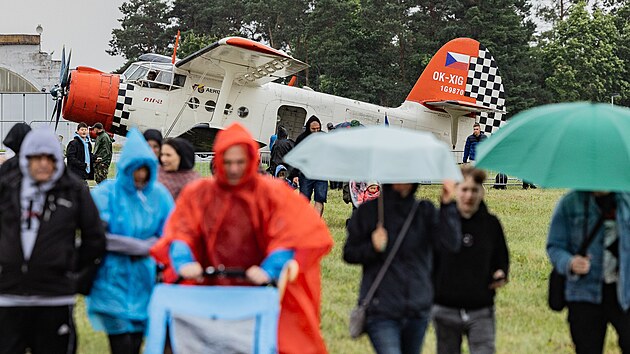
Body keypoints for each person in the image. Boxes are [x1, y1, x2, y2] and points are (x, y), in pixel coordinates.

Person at [150, 122, 333, 354]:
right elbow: (182, 230)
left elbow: (292, 234)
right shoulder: (200, 193)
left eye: (240, 162)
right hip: (208, 286)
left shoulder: (272, 193)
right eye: (228, 162)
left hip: (258, 289)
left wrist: (271, 268)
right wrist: (184, 261)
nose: (234, 169)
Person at [0, 128, 106, 354]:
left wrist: (74, 273)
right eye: (35, 157)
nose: (42, 164)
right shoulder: (7, 186)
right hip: (9, 295)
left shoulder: (73, 190)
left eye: (49, 157)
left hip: (54, 297)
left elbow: (94, 238)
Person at [344, 181, 461, 354]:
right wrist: (372, 247)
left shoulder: (424, 211)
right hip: (381, 308)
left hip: (417, 308)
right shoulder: (370, 212)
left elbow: (450, 244)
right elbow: (349, 253)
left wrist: (447, 204)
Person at [87, 128, 174, 354]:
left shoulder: (159, 195)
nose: (140, 176)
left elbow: (171, 232)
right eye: (135, 169)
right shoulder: (107, 193)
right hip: (112, 277)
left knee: (135, 340)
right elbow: (96, 235)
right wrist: (140, 246)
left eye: (145, 170)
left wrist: (151, 249)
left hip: (145, 278)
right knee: (120, 344)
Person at [432, 166, 510, 354]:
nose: (469, 195)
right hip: (445, 308)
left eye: (474, 190)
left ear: (482, 192)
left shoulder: (491, 224)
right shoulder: (441, 222)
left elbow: (501, 257)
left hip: (480, 307)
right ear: (456, 191)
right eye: (464, 189)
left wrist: (500, 272)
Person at [547, 191, 630, 354]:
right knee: (587, 348)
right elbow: (554, 246)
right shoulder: (569, 204)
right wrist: (570, 262)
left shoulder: (626, 202)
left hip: (624, 292)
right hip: (583, 292)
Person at [290, 116, 328, 216]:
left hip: (321, 173)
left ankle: (315, 223)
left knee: (320, 199)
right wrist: (295, 174)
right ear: (308, 128)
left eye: (318, 129)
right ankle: (303, 221)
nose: (316, 131)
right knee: (304, 199)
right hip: (305, 173)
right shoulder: (301, 138)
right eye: (313, 129)